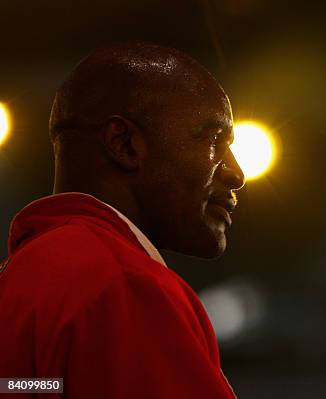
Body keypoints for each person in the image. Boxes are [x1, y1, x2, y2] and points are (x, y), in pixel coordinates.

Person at [0, 42, 245, 398]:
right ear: (124, 144)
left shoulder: (20, 277)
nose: (236, 173)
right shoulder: (123, 283)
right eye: (214, 139)